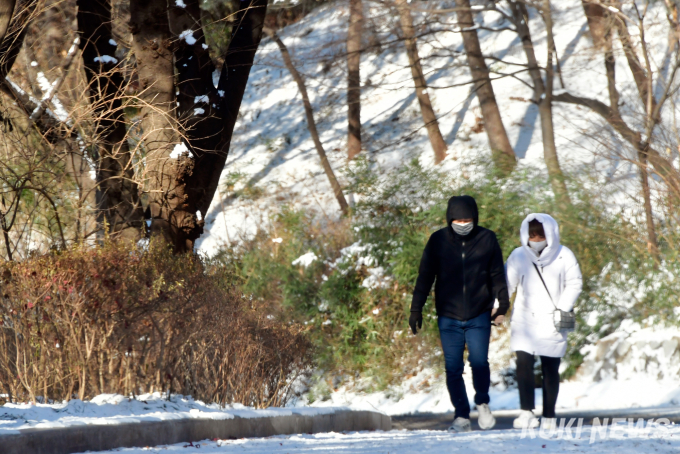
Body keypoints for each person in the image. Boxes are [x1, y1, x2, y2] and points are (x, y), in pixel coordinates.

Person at [409, 195, 510, 433]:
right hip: (448, 316)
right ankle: (461, 416)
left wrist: (502, 305)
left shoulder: (487, 238)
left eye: (467, 219)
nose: (463, 223)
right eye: (458, 219)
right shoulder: (438, 241)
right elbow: (425, 276)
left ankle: (482, 401)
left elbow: (496, 274)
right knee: (453, 368)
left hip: (479, 314)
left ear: (474, 218)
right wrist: (416, 309)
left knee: (479, 362)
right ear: (449, 218)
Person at [506, 213, 582, 430]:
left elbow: (574, 282)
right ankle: (527, 412)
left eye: (540, 235)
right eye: (532, 235)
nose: (536, 239)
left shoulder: (564, 255)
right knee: (523, 364)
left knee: (550, 367)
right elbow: (506, 284)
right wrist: (497, 307)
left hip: (553, 318)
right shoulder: (518, 256)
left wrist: (563, 307)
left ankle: (549, 414)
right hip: (524, 319)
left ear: (550, 234)